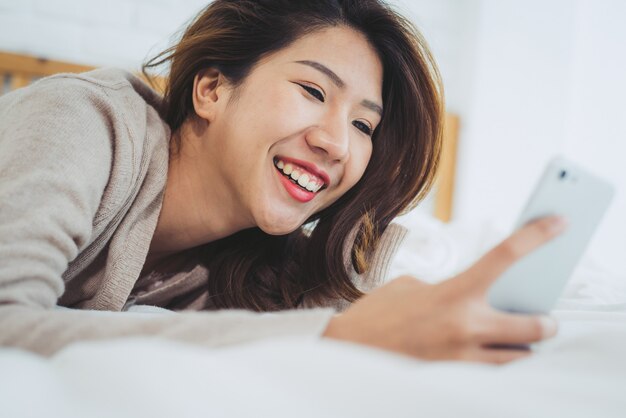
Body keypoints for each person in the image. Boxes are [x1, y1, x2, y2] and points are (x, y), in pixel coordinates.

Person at [0, 0, 563, 363]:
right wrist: (324, 339)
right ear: (212, 89)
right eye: (313, 91)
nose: (337, 143)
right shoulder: (78, 120)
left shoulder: (249, 267)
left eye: (364, 124)